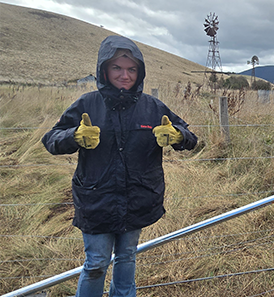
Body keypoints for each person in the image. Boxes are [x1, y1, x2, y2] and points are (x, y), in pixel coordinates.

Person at [41, 35, 198, 297]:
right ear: (104, 69)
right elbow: (51, 139)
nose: (125, 75)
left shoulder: (152, 106)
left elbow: (189, 137)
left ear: (140, 71)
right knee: (96, 263)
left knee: (127, 256)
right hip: (96, 199)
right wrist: (74, 137)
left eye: (131, 69)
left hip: (138, 197)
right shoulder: (87, 104)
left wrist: (179, 136)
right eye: (117, 67)